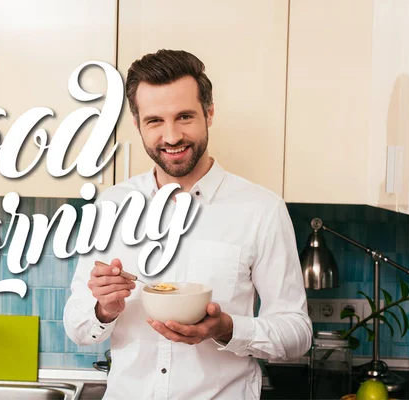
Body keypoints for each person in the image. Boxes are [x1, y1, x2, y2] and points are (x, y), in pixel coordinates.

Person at [63, 49, 312, 400]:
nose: (172, 136)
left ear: (209, 113)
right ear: (137, 125)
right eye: (155, 121)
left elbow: (297, 335)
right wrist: (104, 308)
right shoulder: (111, 206)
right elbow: (76, 325)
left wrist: (227, 329)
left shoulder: (262, 209)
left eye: (184, 117)